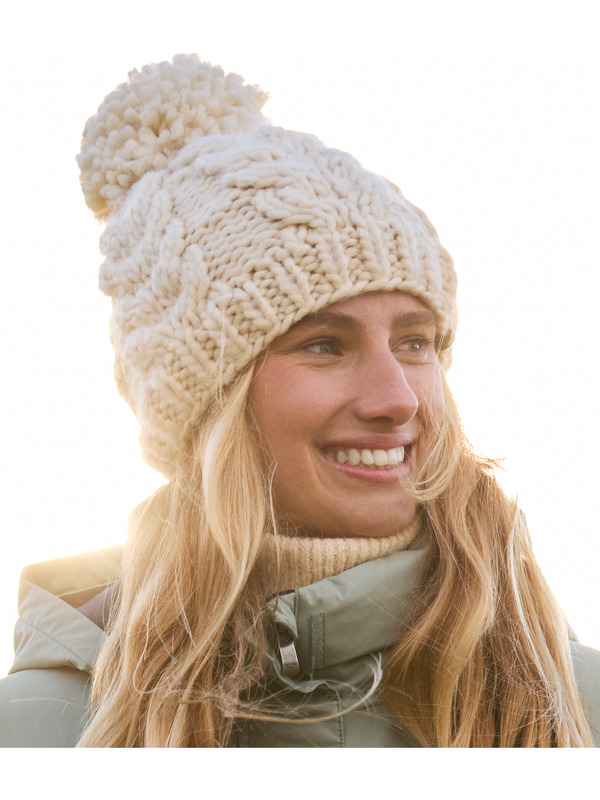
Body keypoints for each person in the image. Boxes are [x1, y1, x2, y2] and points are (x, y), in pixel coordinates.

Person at [1, 54, 599, 748]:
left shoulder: (573, 705)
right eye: (324, 344)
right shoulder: (38, 733)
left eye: (415, 342)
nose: (397, 399)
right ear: (208, 408)